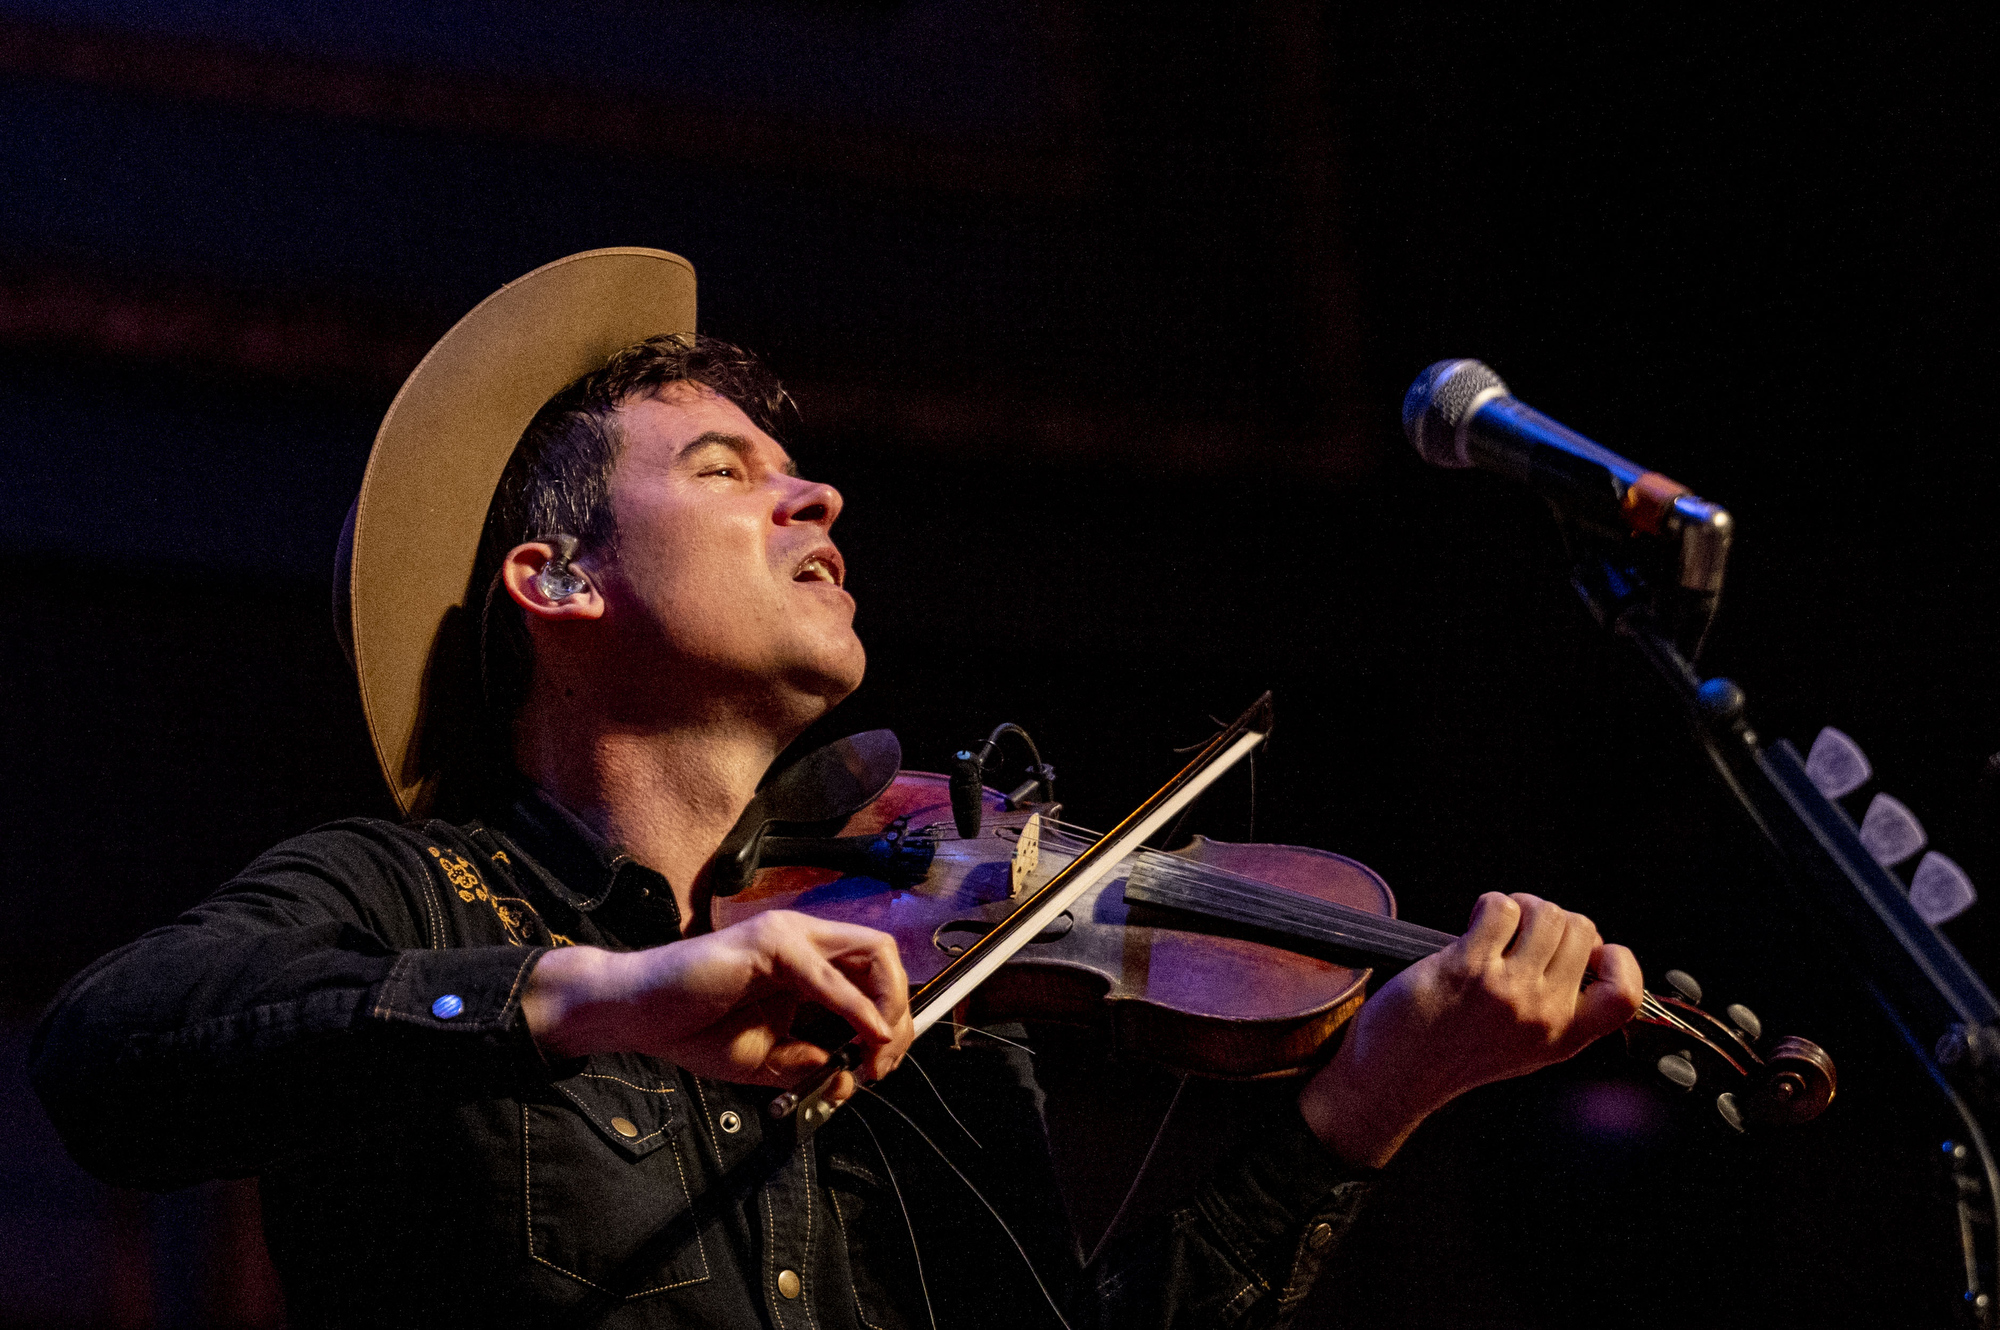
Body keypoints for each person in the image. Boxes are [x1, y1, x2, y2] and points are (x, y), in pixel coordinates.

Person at [29, 249, 1643, 1329]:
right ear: (558, 578)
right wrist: (600, 993)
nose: (817, 488)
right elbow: (108, 1053)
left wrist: (1361, 1108)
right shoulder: (411, 895)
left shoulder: (926, 996)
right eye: (723, 469)